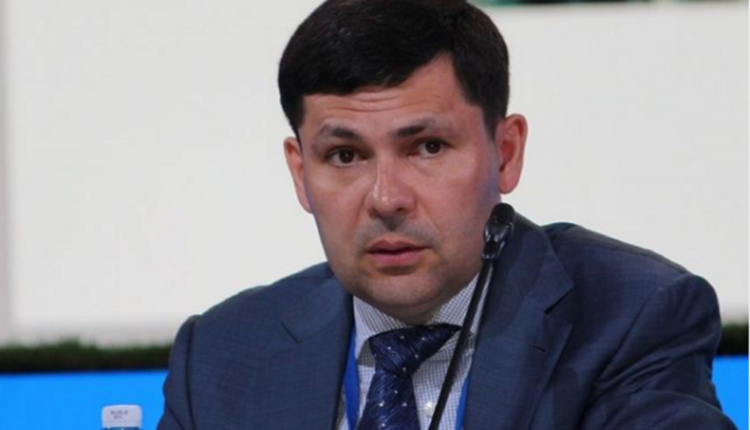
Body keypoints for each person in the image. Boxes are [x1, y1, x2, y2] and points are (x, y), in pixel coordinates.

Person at [158, 1, 736, 429]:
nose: (386, 198)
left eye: (428, 147)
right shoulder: (221, 355)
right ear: (299, 171)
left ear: (505, 152)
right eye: (345, 156)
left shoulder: (626, 317)